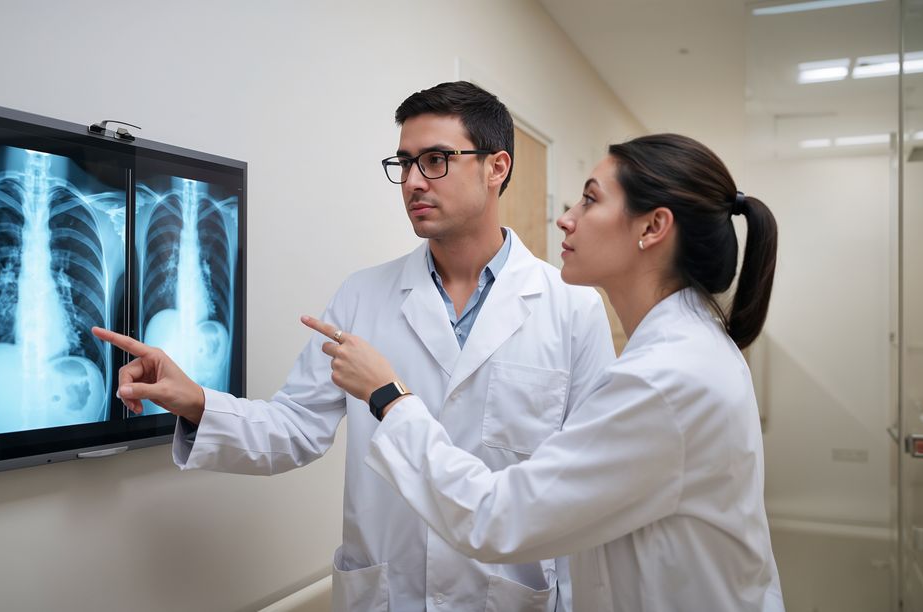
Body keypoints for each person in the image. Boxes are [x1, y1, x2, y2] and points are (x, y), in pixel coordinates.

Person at [93, 81, 616, 611]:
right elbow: (294, 428)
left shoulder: (572, 310)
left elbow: (589, 486)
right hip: (391, 594)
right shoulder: (364, 295)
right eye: (404, 163)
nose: (413, 182)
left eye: (435, 160)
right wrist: (194, 400)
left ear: (496, 167)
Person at [302, 133, 786, 611]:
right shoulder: (685, 352)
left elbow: (497, 517)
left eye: (590, 200)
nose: (566, 218)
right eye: (405, 163)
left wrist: (388, 396)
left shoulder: (665, 378)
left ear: (653, 226)